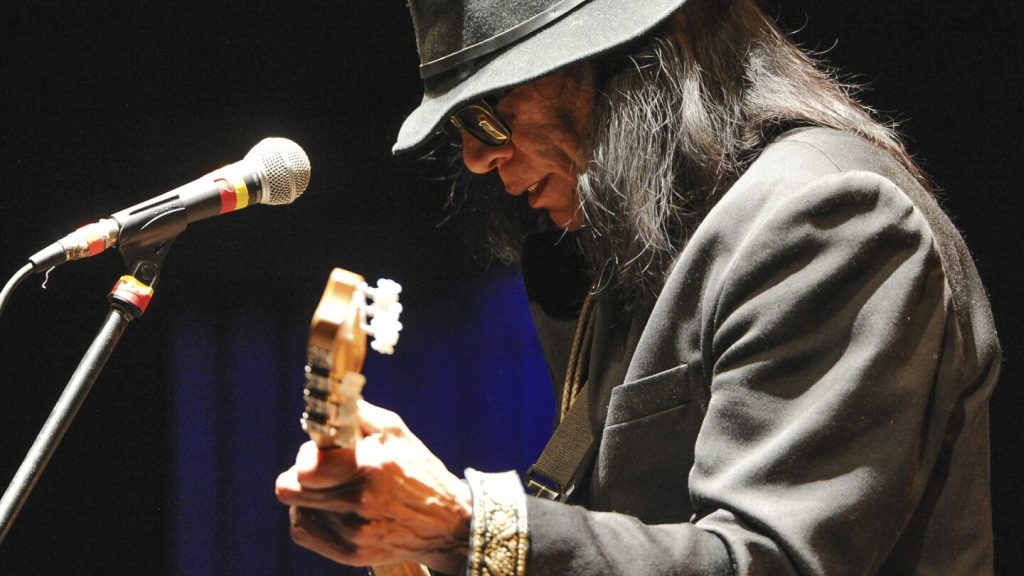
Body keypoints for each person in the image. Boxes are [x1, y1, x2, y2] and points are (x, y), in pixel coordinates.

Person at [275, 0, 1001, 574]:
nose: (472, 157)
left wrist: (470, 525)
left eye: (487, 110)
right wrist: (422, 539)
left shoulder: (830, 218)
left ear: (625, 65)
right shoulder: (642, 247)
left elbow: (768, 560)